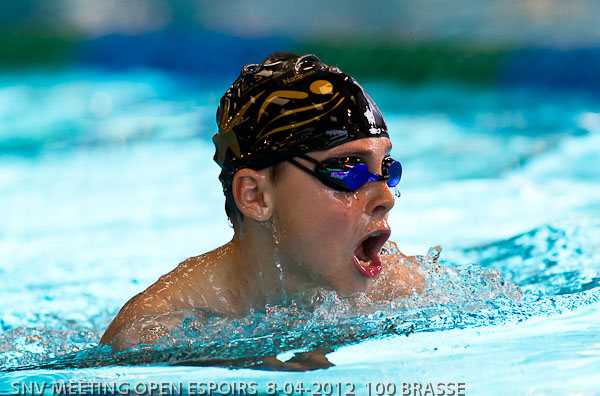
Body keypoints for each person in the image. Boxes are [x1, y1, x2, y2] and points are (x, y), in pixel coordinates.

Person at [99, 52, 424, 353]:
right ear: (254, 195)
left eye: (387, 168)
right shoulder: (153, 337)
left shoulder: (400, 288)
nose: (385, 198)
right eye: (347, 168)